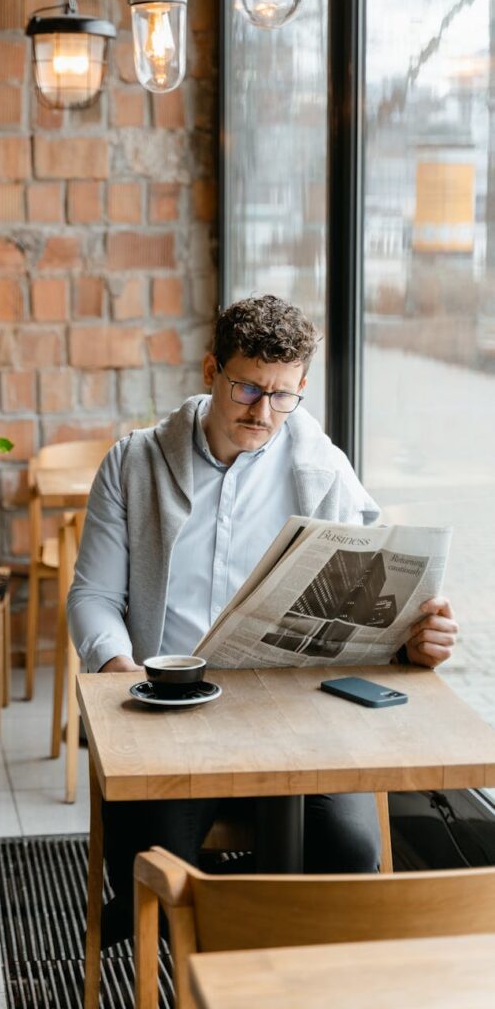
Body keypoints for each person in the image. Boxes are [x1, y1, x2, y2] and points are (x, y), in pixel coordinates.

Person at [67, 294, 458, 944]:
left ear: (300, 388)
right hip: (175, 709)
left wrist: (414, 640)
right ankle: (190, 927)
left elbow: (370, 601)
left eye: (282, 396)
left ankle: (264, 948)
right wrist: (118, 669)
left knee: (349, 854)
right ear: (210, 371)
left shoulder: (322, 469)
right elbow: (93, 596)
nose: (262, 413)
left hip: (299, 712)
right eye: (247, 389)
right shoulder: (134, 463)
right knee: (154, 868)